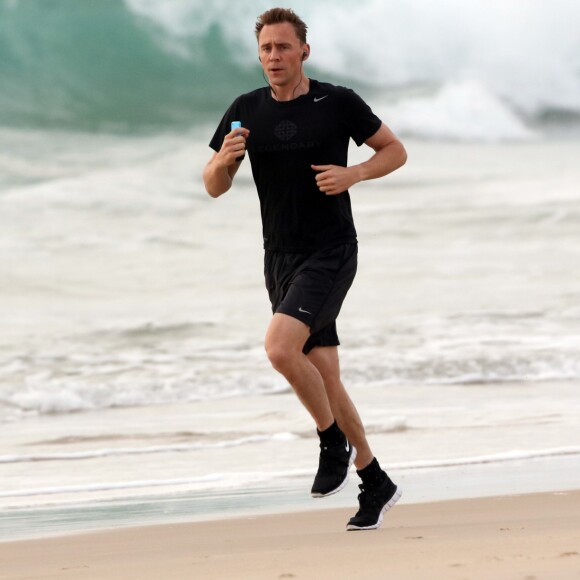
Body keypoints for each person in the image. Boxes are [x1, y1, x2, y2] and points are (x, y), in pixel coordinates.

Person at [203, 7, 407, 531]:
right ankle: (374, 478)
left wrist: (354, 173)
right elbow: (212, 185)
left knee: (278, 348)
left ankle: (329, 439)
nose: (274, 56)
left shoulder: (336, 102)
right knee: (326, 376)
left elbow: (395, 150)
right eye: (266, 49)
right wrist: (224, 161)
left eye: (283, 47)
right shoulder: (244, 110)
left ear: (303, 52)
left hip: (332, 251)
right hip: (280, 257)